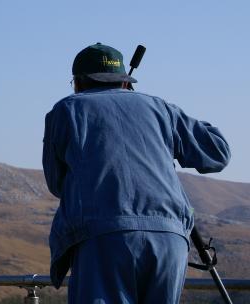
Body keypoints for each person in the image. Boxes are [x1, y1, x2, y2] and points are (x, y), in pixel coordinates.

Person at [42, 43, 230, 303]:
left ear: (78, 82)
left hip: (102, 237)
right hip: (169, 238)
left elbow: (57, 183)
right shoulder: (161, 108)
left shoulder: (66, 110)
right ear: (125, 81)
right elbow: (217, 153)